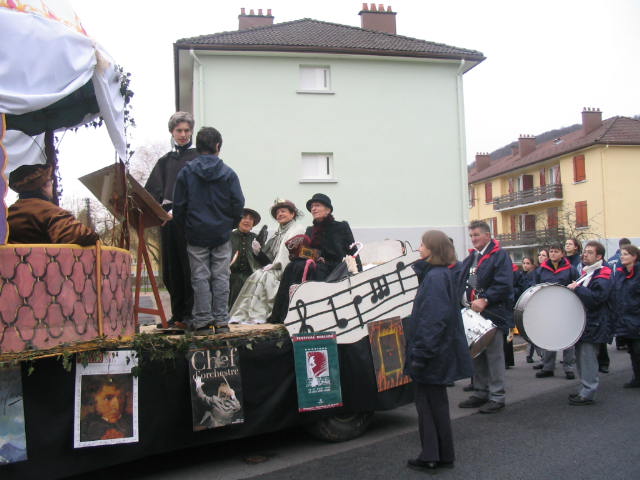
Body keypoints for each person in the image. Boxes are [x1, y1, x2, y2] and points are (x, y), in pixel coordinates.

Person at [405, 230, 472, 472]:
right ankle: (443, 454)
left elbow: (432, 321)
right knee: (437, 405)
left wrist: (421, 355)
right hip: (438, 352)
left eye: (422, 244)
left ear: (432, 249)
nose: (419, 248)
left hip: (432, 354)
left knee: (427, 407)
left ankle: (430, 455)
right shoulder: (440, 274)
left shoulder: (434, 278)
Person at [173, 126, 244, 333]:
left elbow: (179, 207)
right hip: (221, 234)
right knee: (221, 276)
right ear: (218, 146)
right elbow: (238, 203)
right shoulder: (229, 173)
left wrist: (187, 228)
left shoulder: (186, 173)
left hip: (195, 234)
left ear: (199, 146)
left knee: (199, 277)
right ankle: (221, 321)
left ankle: (203, 321)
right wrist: (227, 225)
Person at [268, 193, 361, 323]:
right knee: (292, 266)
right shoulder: (310, 230)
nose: (313, 209)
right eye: (312, 207)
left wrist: (359, 274)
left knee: (305, 268)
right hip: (316, 263)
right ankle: (283, 315)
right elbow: (310, 252)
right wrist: (297, 252)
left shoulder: (341, 227)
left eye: (317, 205)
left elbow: (353, 251)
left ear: (328, 209)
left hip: (335, 268)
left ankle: (308, 315)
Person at [145, 112, 199, 328]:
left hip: (190, 221)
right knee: (170, 269)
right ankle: (177, 315)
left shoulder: (198, 158)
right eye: (179, 131)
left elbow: (200, 192)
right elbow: (150, 194)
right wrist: (159, 213)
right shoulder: (164, 162)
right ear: (172, 132)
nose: (183, 135)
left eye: (187, 130)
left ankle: (190, 315)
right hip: (166, 221)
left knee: (189, 269)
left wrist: (180, 210)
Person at [458, 221, 514, 414]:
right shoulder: (472, 256)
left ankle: (497, 396)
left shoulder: (499, 255)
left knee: (494, 356)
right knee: (477, 354)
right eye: (472, 236)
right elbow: (462, 281)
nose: (473, 239)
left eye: (477, 235)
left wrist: (486, 299)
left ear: (488, 235)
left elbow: (505, 284)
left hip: (493, 314)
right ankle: (481, 392)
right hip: (474, 314)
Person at [230, 200, 305, 324]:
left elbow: (284, 256)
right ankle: (245, 315)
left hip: (288, 270)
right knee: (258, 275)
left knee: (264, 277)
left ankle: (257, 315)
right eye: (277, 212)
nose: (279, 214)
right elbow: (268, 258)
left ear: (292, 214)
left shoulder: (297, 229)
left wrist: (274, 265)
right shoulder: (278, 232)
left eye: (283, 211)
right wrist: (259, 253)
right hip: (236, 274)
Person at [566, 241, 612, 405]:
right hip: (586, 323)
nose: (585, 254)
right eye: (585, 252)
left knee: (588, 359)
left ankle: (588, 392)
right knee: (581, 358)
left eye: (590, 252)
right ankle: (584, 389)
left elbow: (597, 298)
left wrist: (577, 288)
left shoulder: (603, 273)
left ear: (599, 256)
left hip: (594, 323)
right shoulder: (588, 272)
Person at [7, 164, 99, 245]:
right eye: (50, 181)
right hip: (41, 264)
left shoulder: (8, 212)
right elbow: (77, 236)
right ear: (44, 185)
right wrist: (94, 236)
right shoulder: (48, 211)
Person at [533, 242, 579, 379]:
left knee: (568, 339)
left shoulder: (570, 269)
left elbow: (577, 285)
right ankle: (548, 367)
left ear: (562, 254)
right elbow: (533, 287)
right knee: (548, 337)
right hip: (547, 308)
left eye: (556, 251)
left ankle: (568, 367)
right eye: (551, 251)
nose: (553, 254)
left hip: (566, 307)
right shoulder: (541, 270)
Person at [611, 244, 640, 388]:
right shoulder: (620, 273)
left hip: (636, 317)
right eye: (621, 254)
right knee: (633, 351)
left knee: (638, 349)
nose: (622, 256)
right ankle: (637, 378)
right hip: (625, 318)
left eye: (626, 254)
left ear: (634, 256)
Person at [80, 375, 133, 441]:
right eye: (108, 398)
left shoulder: (128, 422)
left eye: (120, 397)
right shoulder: (85, 428)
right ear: (92, 400)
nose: (117, 406)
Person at [229, 208, 262, 307]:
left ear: (253, 224)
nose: (247, 220)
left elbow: (262, 260)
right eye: (244, 217)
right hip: (231, 276)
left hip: (251, 277)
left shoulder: (256, 238)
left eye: (251, 219)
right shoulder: (228, 236)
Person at [519, 256, 542, 363]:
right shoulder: (521, 275)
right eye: (524, 263)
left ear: (533, 265)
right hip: (524, 304)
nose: (525, 265)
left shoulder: (533, 275)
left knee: (533, 331)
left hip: (531, 305)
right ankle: (533, 354)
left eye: (528, 263)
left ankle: (538, 354)